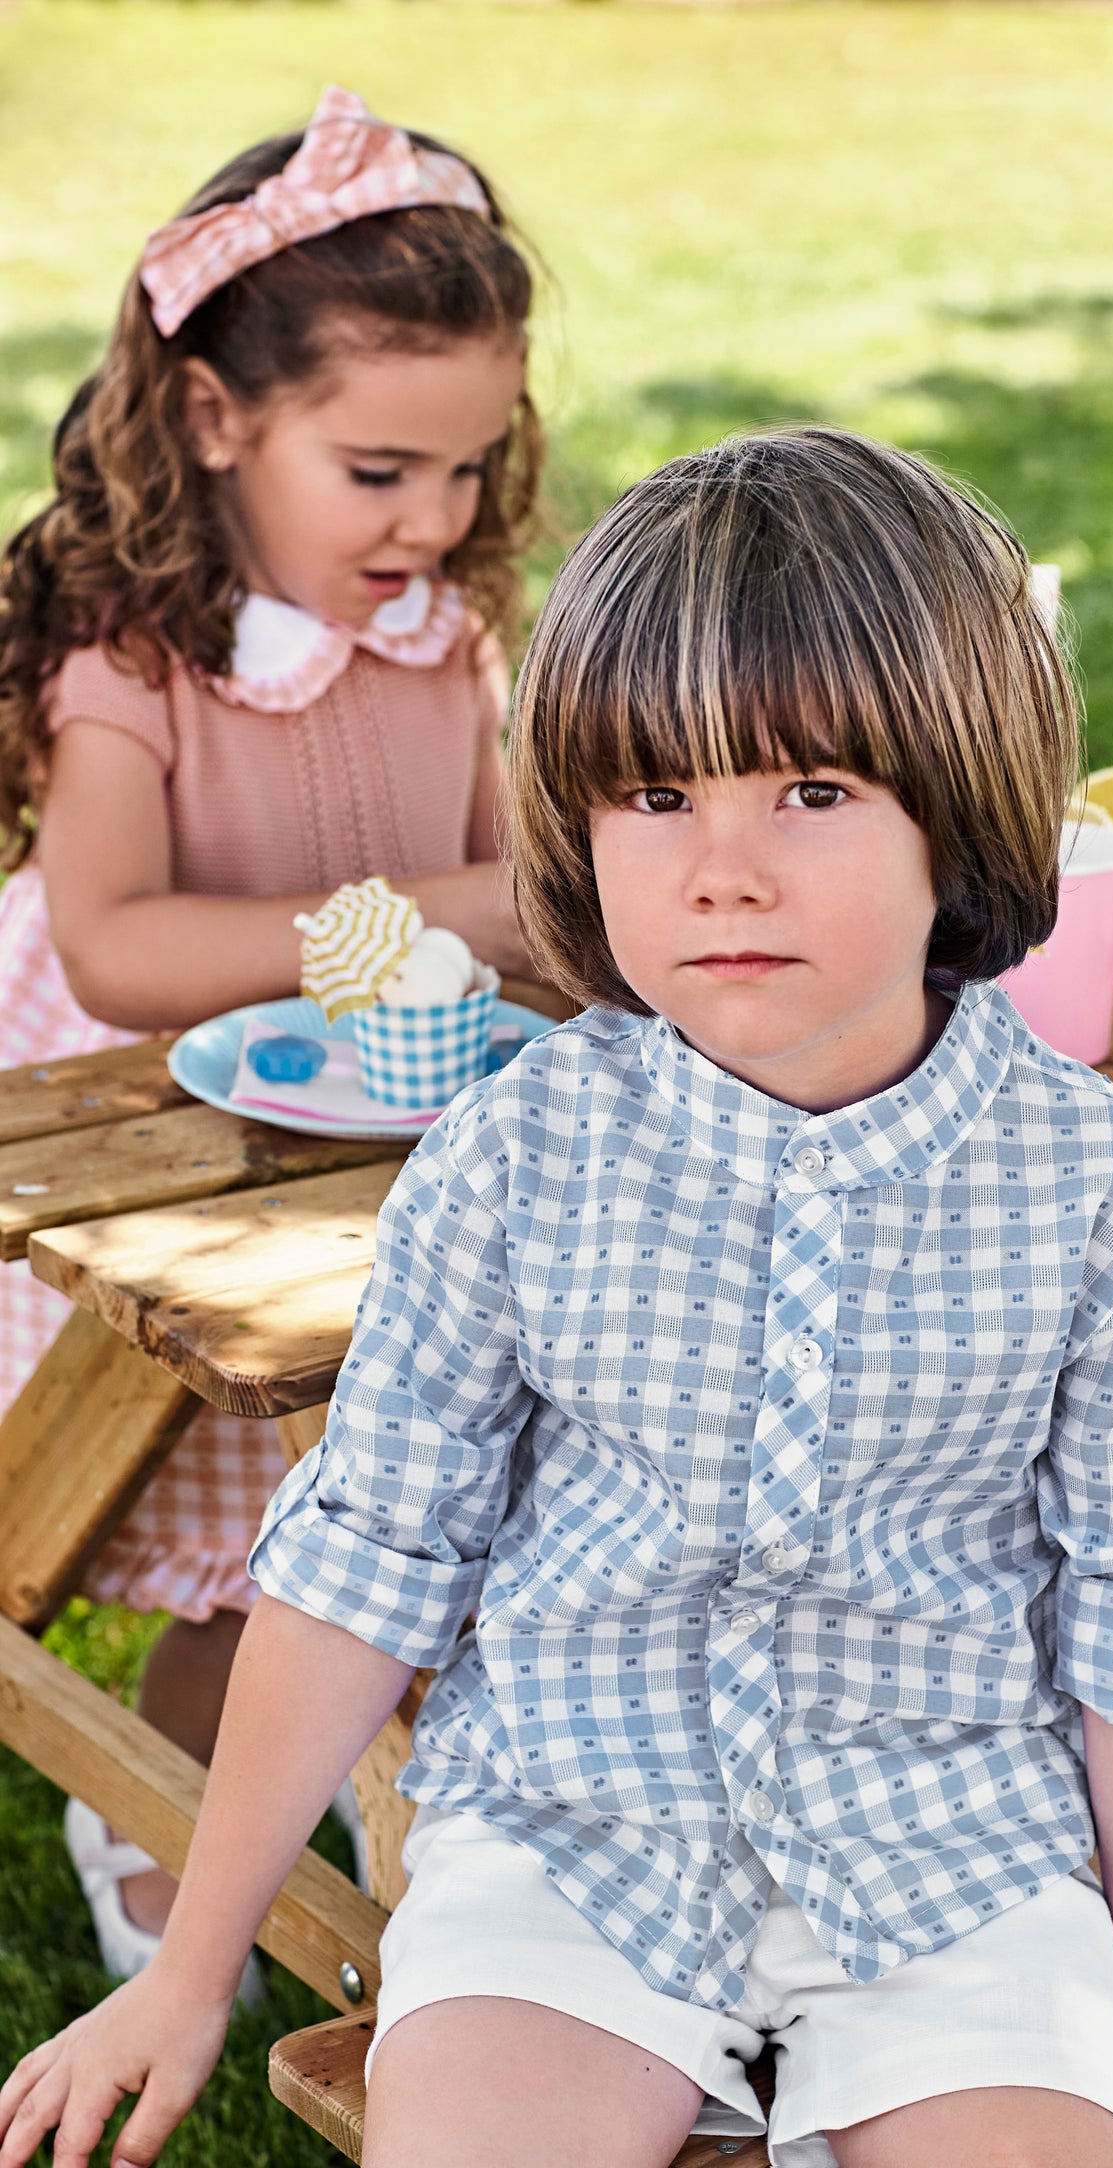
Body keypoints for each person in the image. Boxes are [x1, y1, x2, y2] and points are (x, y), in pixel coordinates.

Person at [0, 429, 1113, 2168]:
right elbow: (369, 1557)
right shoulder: (517, 1151)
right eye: (655, 798)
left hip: (957, 1849)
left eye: (810, 794)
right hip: (565, 1843)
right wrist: (193, 1968)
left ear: (961, 804)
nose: (719, 870)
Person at [0, 86, 541, 1979]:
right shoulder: (132, 655)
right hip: (162, 1161)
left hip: (403, 1160)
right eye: (382, 469)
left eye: (469, 471)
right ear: (221, 419)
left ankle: (423, 1799)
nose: (437, 520)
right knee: (254, 1545)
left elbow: (510, 894)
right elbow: (118, 944)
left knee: (420, 1526)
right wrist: (412, 923)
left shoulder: (449, 636)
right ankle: (148, 1809)